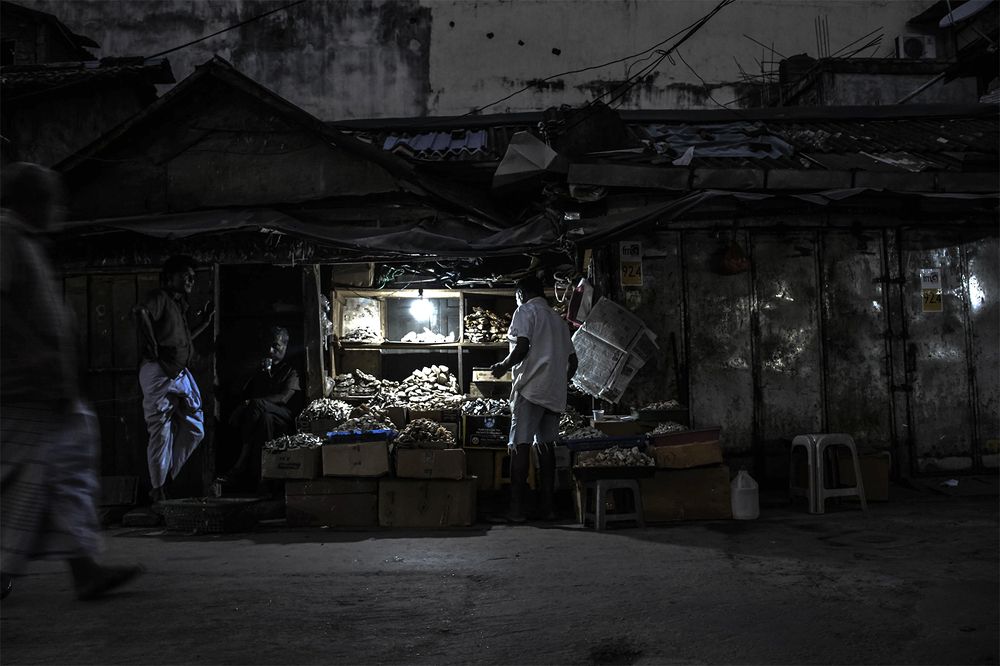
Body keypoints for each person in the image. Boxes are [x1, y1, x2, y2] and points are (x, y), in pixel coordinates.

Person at [1, 162, 142, 601]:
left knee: (62, 479)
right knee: (22, 484)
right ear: (32, 202)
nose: (59, 210)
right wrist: (35, 357)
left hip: (46, 392)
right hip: (21, 392)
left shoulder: (27, 243)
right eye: (52, 201)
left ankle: (84, 570)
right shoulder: (5, 236)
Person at [491, 274, 578, 522]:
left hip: (530, 390)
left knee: (520, 445)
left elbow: (521, 348)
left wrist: (502, 366)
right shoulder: (558, 321)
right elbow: (573, 362)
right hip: (554, 392)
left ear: (521, 294)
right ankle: (547, 509)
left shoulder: (525, 311)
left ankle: (516, 510)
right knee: (546, 448)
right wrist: (558, 381)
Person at [134, 255, 214, 505]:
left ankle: (166, 476)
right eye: (185, 275)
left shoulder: (178, 304)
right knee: (161, 431)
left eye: (193, 276)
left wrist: (205, 323)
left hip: (178, 372)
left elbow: (183, 339)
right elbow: (140, 312)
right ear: (170, 278)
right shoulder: (159, 297)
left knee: (196, 428)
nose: (191, 280)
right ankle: (158, 489)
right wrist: (152, 344)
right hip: (159, 372)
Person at [217, 326, 301, 489]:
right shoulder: (260, 368)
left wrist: (246, 405)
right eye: (268, 346)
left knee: (256, 404)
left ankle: (242, 459)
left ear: (285, 346)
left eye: (275, 346)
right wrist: (257, 371)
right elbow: (239, 390)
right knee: (265, 420)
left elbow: (283, 398)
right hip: (264, 414)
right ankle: (265, 477)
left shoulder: (291, 370)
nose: (270, 351)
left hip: (284, 414)